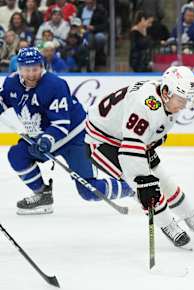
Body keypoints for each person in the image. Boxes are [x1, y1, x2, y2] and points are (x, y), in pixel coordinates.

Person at [84, 66, 194, 247]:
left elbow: (149, 135)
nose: (184, 104)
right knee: (147, 190)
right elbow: (131, 146)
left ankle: (191, 216)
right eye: (181, 99)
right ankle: (168, 225)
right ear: (166, 92)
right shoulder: (146, 105)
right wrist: (142, 180)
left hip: (128, 137)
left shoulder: (165, 101)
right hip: (103, 143)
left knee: (164, 181)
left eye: (188, 99)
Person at [0, 47, 133, 215]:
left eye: (35, 69)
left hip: (76, 136)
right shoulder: (11, 83)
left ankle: (132, 188)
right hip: (44, 138)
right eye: (27, 70)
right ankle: (43, 196)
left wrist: (46, 140)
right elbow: (4, 101)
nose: (31, 74)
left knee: (89, 191)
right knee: (17, 155)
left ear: (42, 67)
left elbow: (61, 123)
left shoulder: (54, 85)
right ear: (19, 69)